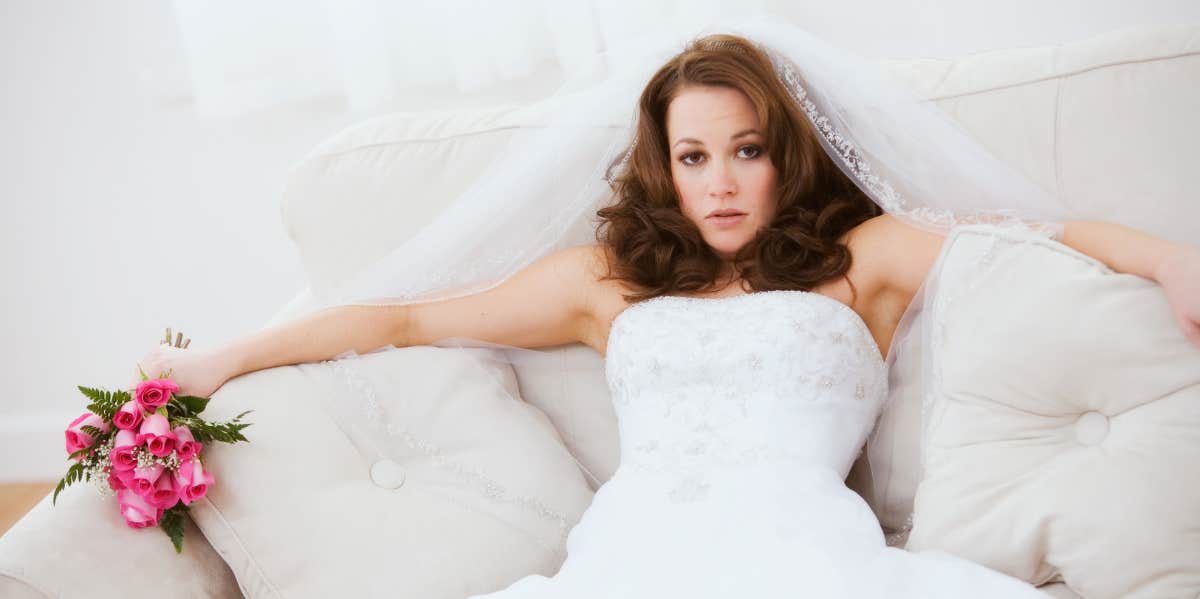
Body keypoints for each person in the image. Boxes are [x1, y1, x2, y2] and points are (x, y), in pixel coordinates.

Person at [135, 20, 1200, 598]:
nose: (722, 182)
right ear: (666, 168)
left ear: (784, 154)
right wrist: (225, 359)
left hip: (804, 552)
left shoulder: (856, 261)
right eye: (694, 157)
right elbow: (406, 317)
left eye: (746, 151)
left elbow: (1028, 239)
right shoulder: (610, 283)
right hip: (628, 556)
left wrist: (1171, 261)